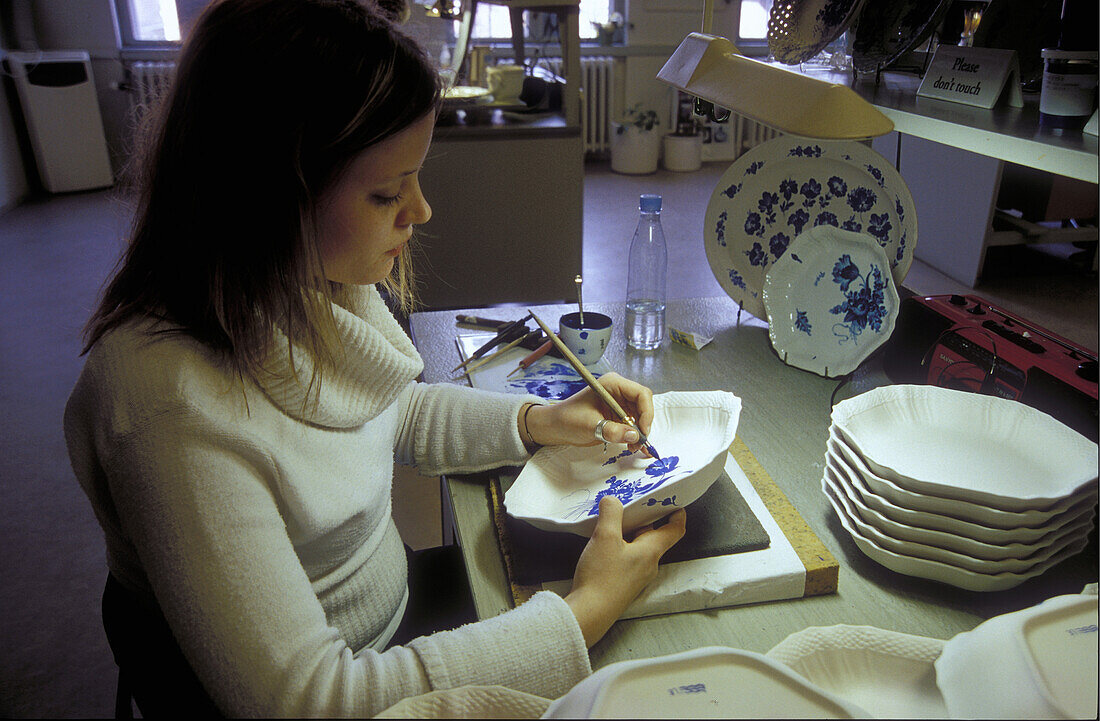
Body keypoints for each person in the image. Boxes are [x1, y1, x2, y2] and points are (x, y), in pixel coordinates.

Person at [63, 0, 686, 716]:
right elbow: (313, 700)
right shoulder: (165, 404)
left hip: (390, 618)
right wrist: (585, 611)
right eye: (387, 190)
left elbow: (390, 408)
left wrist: (540, 419)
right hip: (341, 683)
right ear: (266, 197)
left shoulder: (309, 278)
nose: (419, 212)